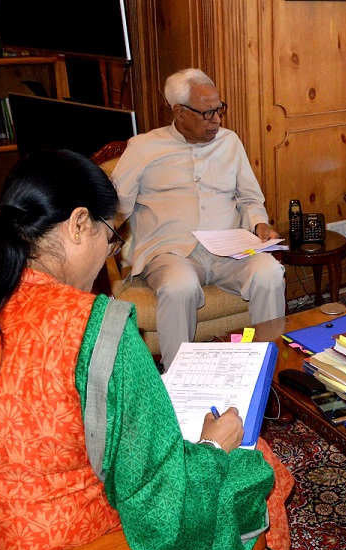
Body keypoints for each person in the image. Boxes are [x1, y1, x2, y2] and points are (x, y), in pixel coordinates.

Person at [0, 150, 321, 550]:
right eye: (111, 237)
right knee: (250, 461)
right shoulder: (93, 326)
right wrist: (211, 446)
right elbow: (162, 513)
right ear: (78, 224)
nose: (107, 254)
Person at [112, 68, 286, 371]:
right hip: (170, 253)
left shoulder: (230, 142)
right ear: (179, 112)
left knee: (269, 272)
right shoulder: (143, 148)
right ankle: (179, 378)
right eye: (207, 113)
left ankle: (266, 370)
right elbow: (115, 205)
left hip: (229, 251)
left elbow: (250, 198)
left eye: (219, 110)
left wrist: (259, 224)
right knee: (179, 286)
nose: (217, 120)